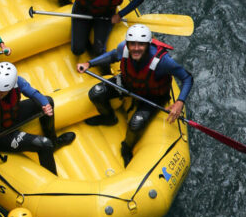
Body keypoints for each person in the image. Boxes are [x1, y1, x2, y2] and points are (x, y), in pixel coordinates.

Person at [77, 23, 193, 167]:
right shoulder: (124, 48)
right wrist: (90, 63)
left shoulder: (163, 61)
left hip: (152, 96)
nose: (136, 48)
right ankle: (109, 117)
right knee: (96, 93)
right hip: (129, 84)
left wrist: (180, 102)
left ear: (148, 44)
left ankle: (126, 148)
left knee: (136, 124)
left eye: (141, 45)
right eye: (132, 44)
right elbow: (113, 55)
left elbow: (187, 78)